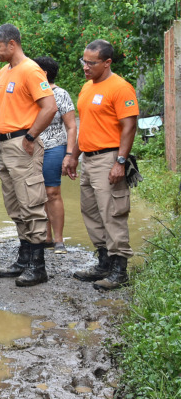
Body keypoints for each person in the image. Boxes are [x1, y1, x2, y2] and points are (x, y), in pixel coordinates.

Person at [63, 39, 139, 290]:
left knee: (112, 212)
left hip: (109, 158)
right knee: (91, 211)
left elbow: (129, 126)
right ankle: (104, 262)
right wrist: (74, 155)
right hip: (88, 158)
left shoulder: (121, 88)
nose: (85, 67)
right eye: (84, 61)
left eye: (91, 63)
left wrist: (120, 161)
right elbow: (86, 126)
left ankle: (120, 270)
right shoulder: (86, 87)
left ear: (107, 63)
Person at [0, 24, 58, 287]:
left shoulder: (31, 70)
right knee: (15, 205)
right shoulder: (3, 72)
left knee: (31, 202)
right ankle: (23, 259)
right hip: (6, 145)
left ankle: (38, 266)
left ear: (12, 44)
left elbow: (49, 107)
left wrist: (30, 137)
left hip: (23, 143)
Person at [34, 56, 77, 254]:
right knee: (37, 194)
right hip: (31, 148)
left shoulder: (61, 94)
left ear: (43, 73)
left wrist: (69, 154)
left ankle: (59, 240)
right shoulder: (29, 93)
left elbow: (70, 126)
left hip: (54, 147)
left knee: (52, 192)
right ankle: (46, 237)